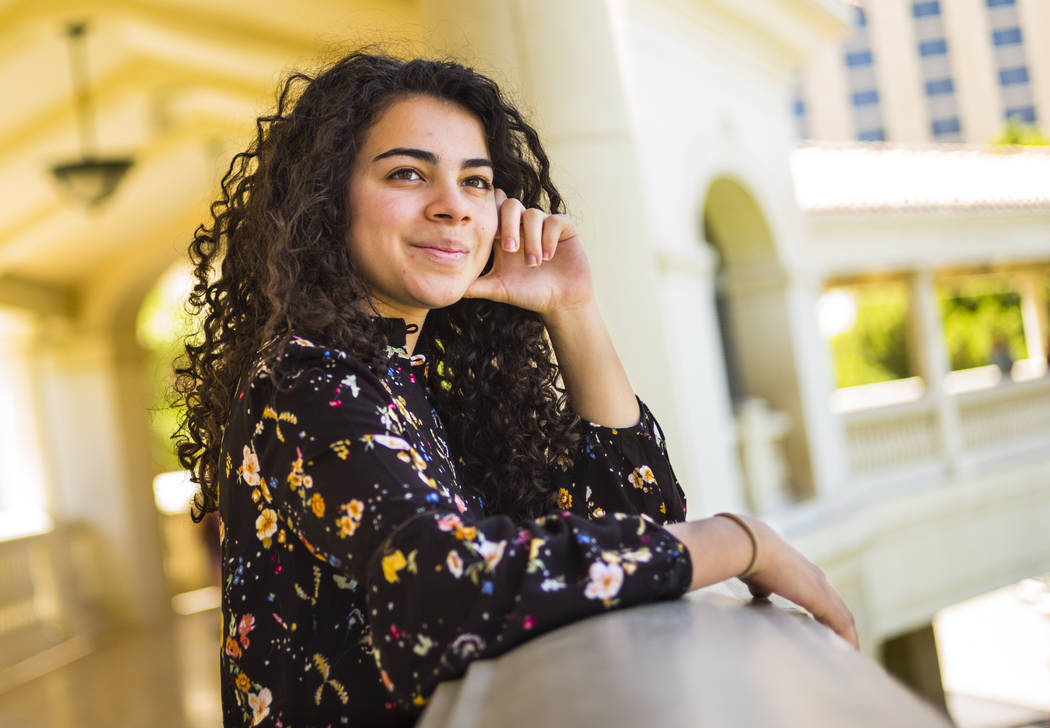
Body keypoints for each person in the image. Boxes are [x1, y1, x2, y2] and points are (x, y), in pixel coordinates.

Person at [174, 51, 856, 727]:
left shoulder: (419, 384)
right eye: (408, 173)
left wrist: (573, 309)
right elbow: (447, 591)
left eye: (476, 182)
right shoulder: (306, 384)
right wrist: (743, 542)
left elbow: (642, 525)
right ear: (327, 199)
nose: (453, 207)